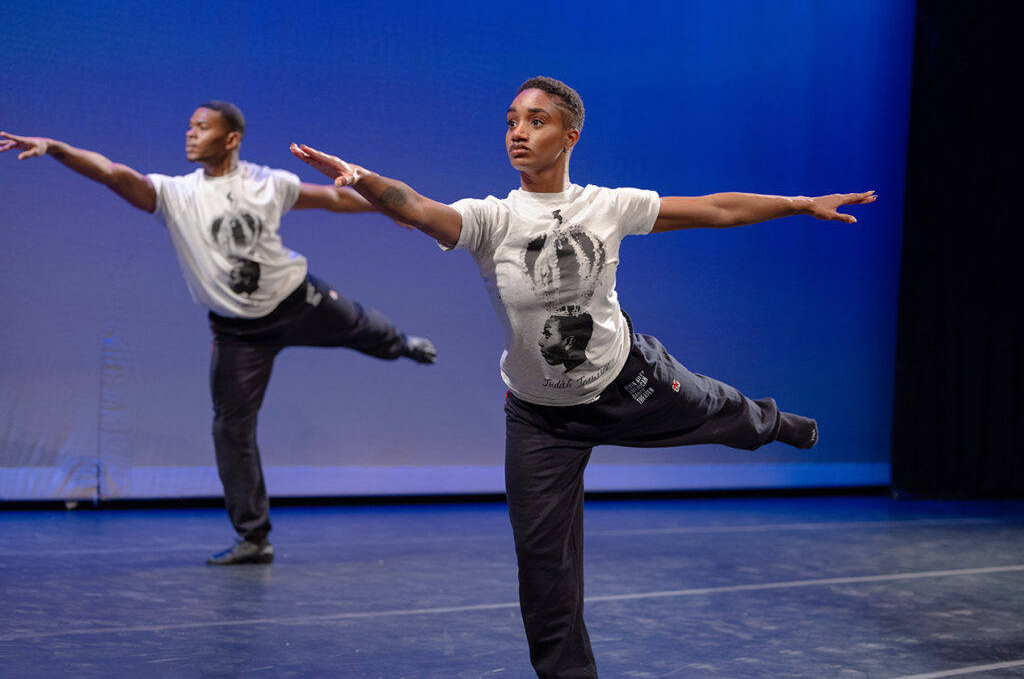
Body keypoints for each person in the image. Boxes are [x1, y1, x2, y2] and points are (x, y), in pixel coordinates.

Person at [289, 76, 875, 677]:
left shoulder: (607, 206)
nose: (518, 131)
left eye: (536, 121)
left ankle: (772, 422)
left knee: (716, 409)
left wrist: (801, 204)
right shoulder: (491, 220)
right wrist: (363, 178)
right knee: (544, 567)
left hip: (627, 382)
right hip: (539, 417)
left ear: (569, 136)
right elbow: (417, 208)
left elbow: (716, 209)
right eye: (512, 119)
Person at [1, 101, 437, 566]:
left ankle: (401, 345)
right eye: (188, 125)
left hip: (295, 299)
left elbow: (333, 198)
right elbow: (110, 172)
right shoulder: (174, 194)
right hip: (238, 333)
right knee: (231, 429)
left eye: (202, 127)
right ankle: (254, 538)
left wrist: (393, 209)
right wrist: (54, 148)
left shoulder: (266, 182)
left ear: (230, 139)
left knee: (362, 327)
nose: (190, 133)